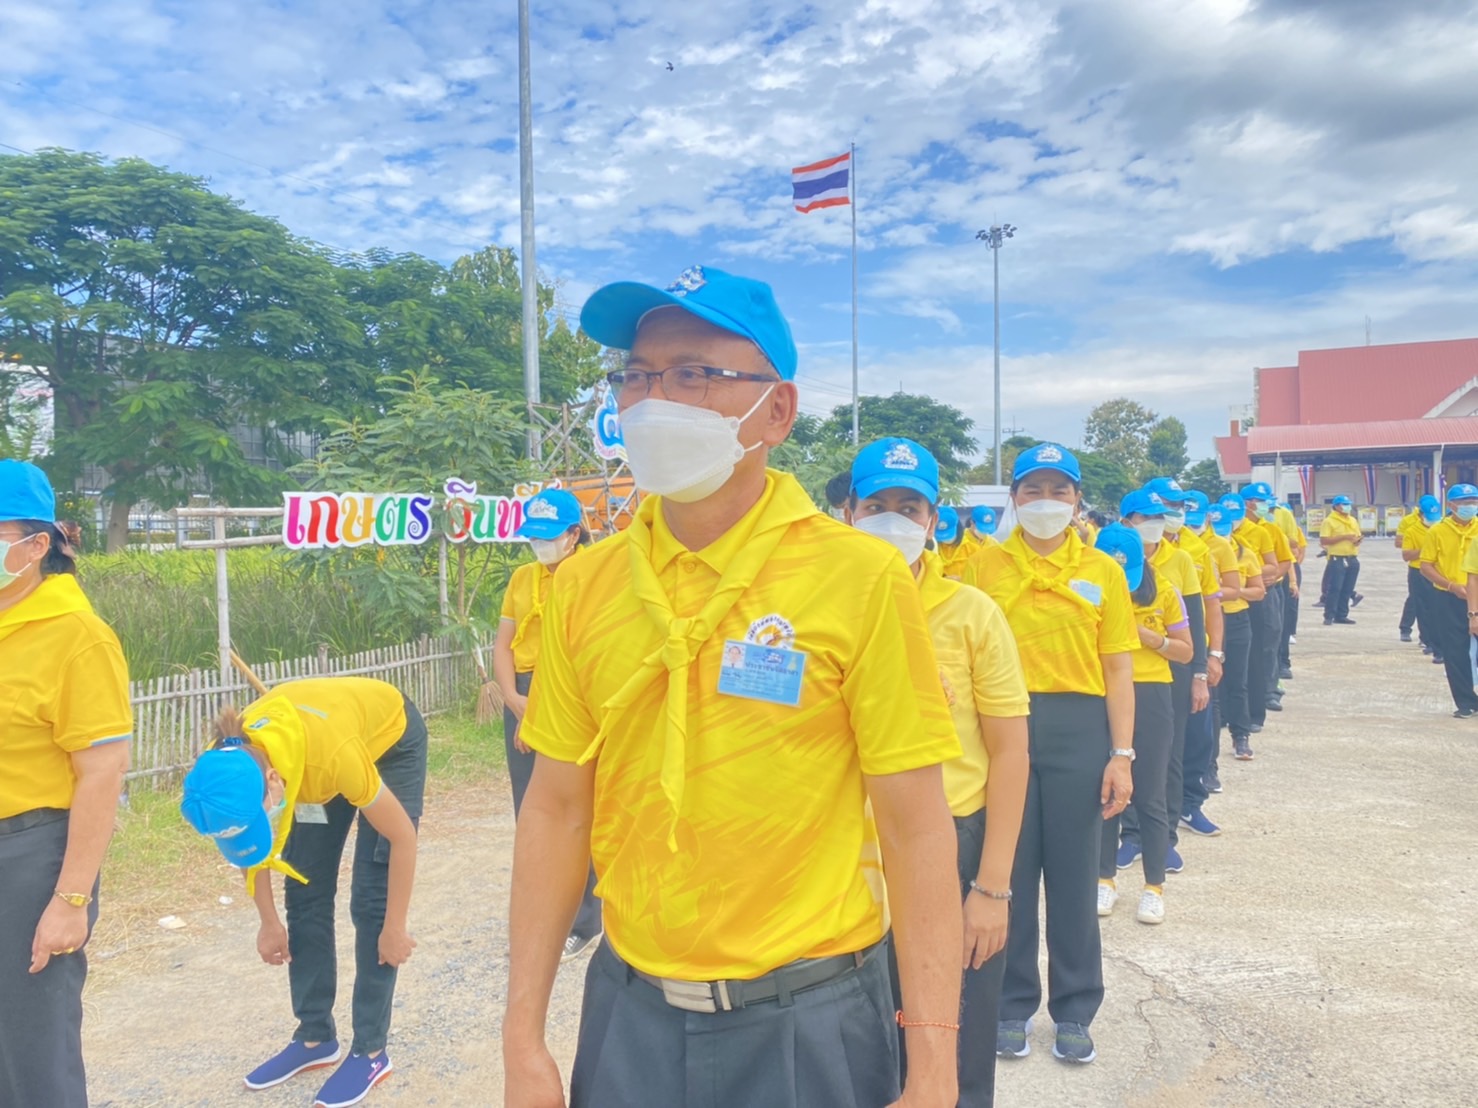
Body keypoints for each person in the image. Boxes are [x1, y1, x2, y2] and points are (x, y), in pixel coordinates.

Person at [503, 265, 965, 1108]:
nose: (654, 402)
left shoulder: (858, 577)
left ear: (776, 411)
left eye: (693, 375)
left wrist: (935, 1062)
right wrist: (521, 1035)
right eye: (636, 377)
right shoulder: (585, 585)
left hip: (807, 1021)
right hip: (630, 1013)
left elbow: (915, 825)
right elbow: (557, 808)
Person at [847, 436, 1030, 1108]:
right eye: (876, 504)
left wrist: (992, 889)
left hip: (953, 841)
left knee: (954, 1034)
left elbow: (1011, 753)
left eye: (909, 506)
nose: (892, 519)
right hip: (850, 847)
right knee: (861, 1032)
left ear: (933, 521)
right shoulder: (824, 613)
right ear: (848, 513)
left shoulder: (973, 615)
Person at [961, 443, 1136, 1067]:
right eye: (1032, 491)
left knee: (1072, 872)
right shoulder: (982, 566)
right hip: (1003, 726)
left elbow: (1118, 667)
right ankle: (1010, 1005)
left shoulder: (1104, 570)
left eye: (1058, 492)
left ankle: (1075, 1009)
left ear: (1077, 501)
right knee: (1005, 867)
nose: (1045, 503)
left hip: (1079, 727)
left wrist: (1122, 753)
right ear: (1014, 497)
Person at [180, 677, 425, 1107]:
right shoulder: (223, 767)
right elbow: (248, 844)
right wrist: (268, 921)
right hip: (313, 753)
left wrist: (395, 927)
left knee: (371, 901)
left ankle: (370, 1051)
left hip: (387, 742)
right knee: (305, 888)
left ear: (272, 779)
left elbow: (402, 838)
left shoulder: (334, 758)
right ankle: (315, 1038)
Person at [0, 461, 131, 1108]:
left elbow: (103, 771)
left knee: (34, 1056)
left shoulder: (78, 638)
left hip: (33, 857)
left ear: (36, 544)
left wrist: (70, 901)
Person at [493, 488, 602, 960]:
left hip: (568, 689)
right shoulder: (522, 578)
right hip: (520, 692)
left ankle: (585, 919)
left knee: (577, 808)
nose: (539, 547)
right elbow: (503, 643)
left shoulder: (595, 574)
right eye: (533, 538)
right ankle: (544, 916)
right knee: (533, 809)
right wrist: (515, 701)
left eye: (548, 537)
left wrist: (537, 707)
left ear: (574, 534)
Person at [1093, 523, 1191, 925]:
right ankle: (1104, 879)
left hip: (1150, 694)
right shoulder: (1085, 590)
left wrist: (1150, 638)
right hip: (1100, 694)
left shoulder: (1166, 591)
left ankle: (1153, 886)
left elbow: (1186, 652)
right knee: (1103, 794)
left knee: (1149, 793)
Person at [1114, 486, 1205, 877]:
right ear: (1125, 523)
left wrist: (1201, 669)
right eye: (1145, 518)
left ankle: (1163, 835)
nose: (1154, 525)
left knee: (1165, 757)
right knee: (1122, 757)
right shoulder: (1107, 558)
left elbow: (1195, 622)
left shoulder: (1179, 560)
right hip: (1115, 677)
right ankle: (1130, 835)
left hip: (1165, 671)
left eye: (1158, 517)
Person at [1179, 490, 1236, 818]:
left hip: (1192, 652)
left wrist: (1215, 654)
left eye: (1178, 507)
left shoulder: (1197, 550)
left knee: (1198, 733)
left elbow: (1211, 605)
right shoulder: (1127, 547)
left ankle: (1191, 803)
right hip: (1145, 658)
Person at [1212, 496, 1267, 761]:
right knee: (1210, 682)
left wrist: (1232, 592)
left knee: (1237, 680)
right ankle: (1210, 739)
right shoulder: (1200, 550)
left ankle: (1240, 735)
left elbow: (1259, 591)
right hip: (1208, 620)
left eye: (1224, 525)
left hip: (1236, 620)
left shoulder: (1244, 553)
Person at [1419, 485, 1478, 718]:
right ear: (1451, 505)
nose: (1470, 506)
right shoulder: (1437, 531)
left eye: (1473, 501)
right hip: (1448, 597)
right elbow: (1426, 565)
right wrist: (1451, 586)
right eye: (1464, 503)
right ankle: (1466, 701)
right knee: (1456, 651)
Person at [1235, 485, 1280, 734]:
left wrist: (1243, 575)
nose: (1264, 505)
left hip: (1257, 595)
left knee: (1261, 651)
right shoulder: (1215, 536)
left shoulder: (1264, 530)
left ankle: (1264, 698)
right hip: (1225, 602)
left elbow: (1278, 564)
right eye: (1260, 501)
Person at [1400, 495, 1443, 656]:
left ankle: (1440, 641)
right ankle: (1427, 640)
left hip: (1439, 571)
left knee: (1439, 607)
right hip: (1418, 572)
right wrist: (1425, 551)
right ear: (1420, 515)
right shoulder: (1412, 530)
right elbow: (1406, 555)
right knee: (1422, 608)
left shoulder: (1443, 528)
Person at [1271, 500, 1306, 678]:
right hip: (1260, 582)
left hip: (1280, 577)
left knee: (1282, 622)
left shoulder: (1281, 519)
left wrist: (1292, 581)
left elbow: (1291, 554)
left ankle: (1283, 662)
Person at [1319, 496, 1362, 625]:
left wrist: (1357, 541)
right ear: (1337, 506)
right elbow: (1324, 540)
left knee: (1347, 588)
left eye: (1348, 504)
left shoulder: (1353, 520)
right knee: (1335, 588)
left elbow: (1356, 536)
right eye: (1344, 504)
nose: (1347, 507)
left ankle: (1342, 615)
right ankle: (1329, 615)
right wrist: (1344, 537)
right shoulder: (1329, 521)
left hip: (1352, 557)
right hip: (1337, 558)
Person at [937, 505, 973, 577]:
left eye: (949, 534)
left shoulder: (972, 549)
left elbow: (981, 579)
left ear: (958, 528)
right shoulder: (932, 548)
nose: (946, 538)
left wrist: (963, 581)